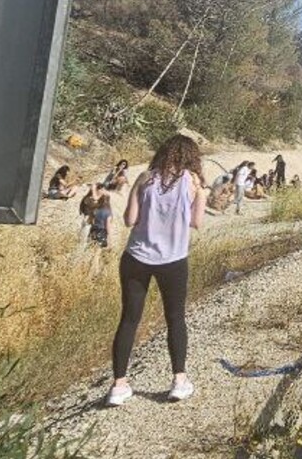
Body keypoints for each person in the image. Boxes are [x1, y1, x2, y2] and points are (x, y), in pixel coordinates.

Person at [108, 134, 207, 406]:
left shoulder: (144, 178)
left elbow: (129, 220)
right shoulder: (194, 183)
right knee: (175, 318)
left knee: (129, 319)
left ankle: (118, 385)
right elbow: (197, 222)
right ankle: (179, 380)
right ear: (192, 157)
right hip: (173, 259)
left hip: (136, 257)